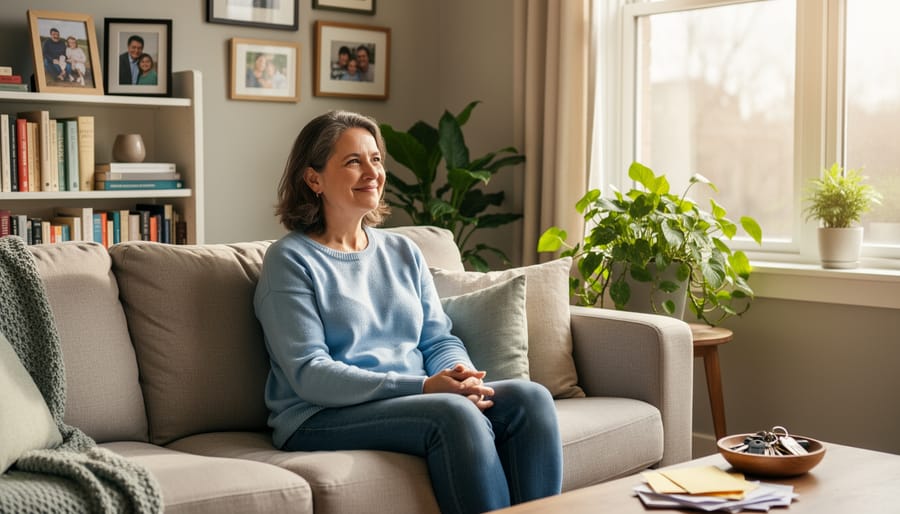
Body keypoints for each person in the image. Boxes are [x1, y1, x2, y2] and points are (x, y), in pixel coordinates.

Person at [253, 111, 563, 514]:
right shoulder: (290, 260)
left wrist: (460, 374)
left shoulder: (402, 251)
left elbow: (437, 338)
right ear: (314, 179)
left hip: (418, 397)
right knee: (452, 413)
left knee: (531, 400)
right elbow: (311, 374)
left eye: (376, 159)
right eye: (353, 162)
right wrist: (423, 387)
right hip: (319, 414)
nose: (372, 172)